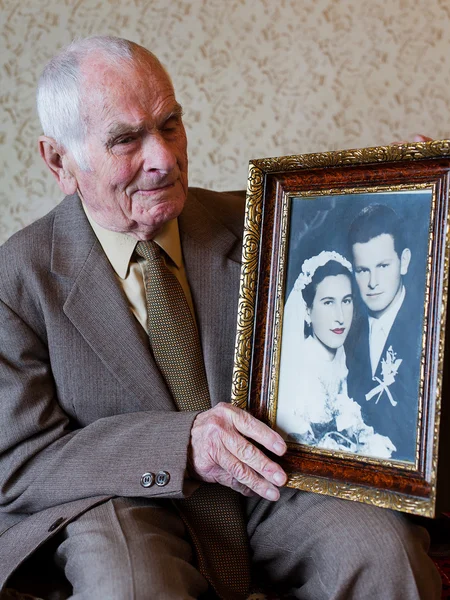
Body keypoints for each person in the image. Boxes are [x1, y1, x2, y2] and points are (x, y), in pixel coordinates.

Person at [0, 36, 440, 600]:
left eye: (170, 124)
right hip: (120, 500)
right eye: (126, 139)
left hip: (275, 486)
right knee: (132, 589)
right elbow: (20, 463)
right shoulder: (18, 278)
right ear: (60, 161)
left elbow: (369, 269)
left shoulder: (267, 218)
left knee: (386, 554)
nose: (163, 158)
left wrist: (413, 195)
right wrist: (184, 444)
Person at [276, 251, 395, 458]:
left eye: (346, 301)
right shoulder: (298, 362)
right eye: (328, 302)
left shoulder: (339, 353)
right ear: (306, 311)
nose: (340, 317)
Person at [346, 204, 423, 463]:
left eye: (383, 266)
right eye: (362, 270)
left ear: (405, 261)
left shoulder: (427, 328)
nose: (372, 283)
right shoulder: (344, 331)